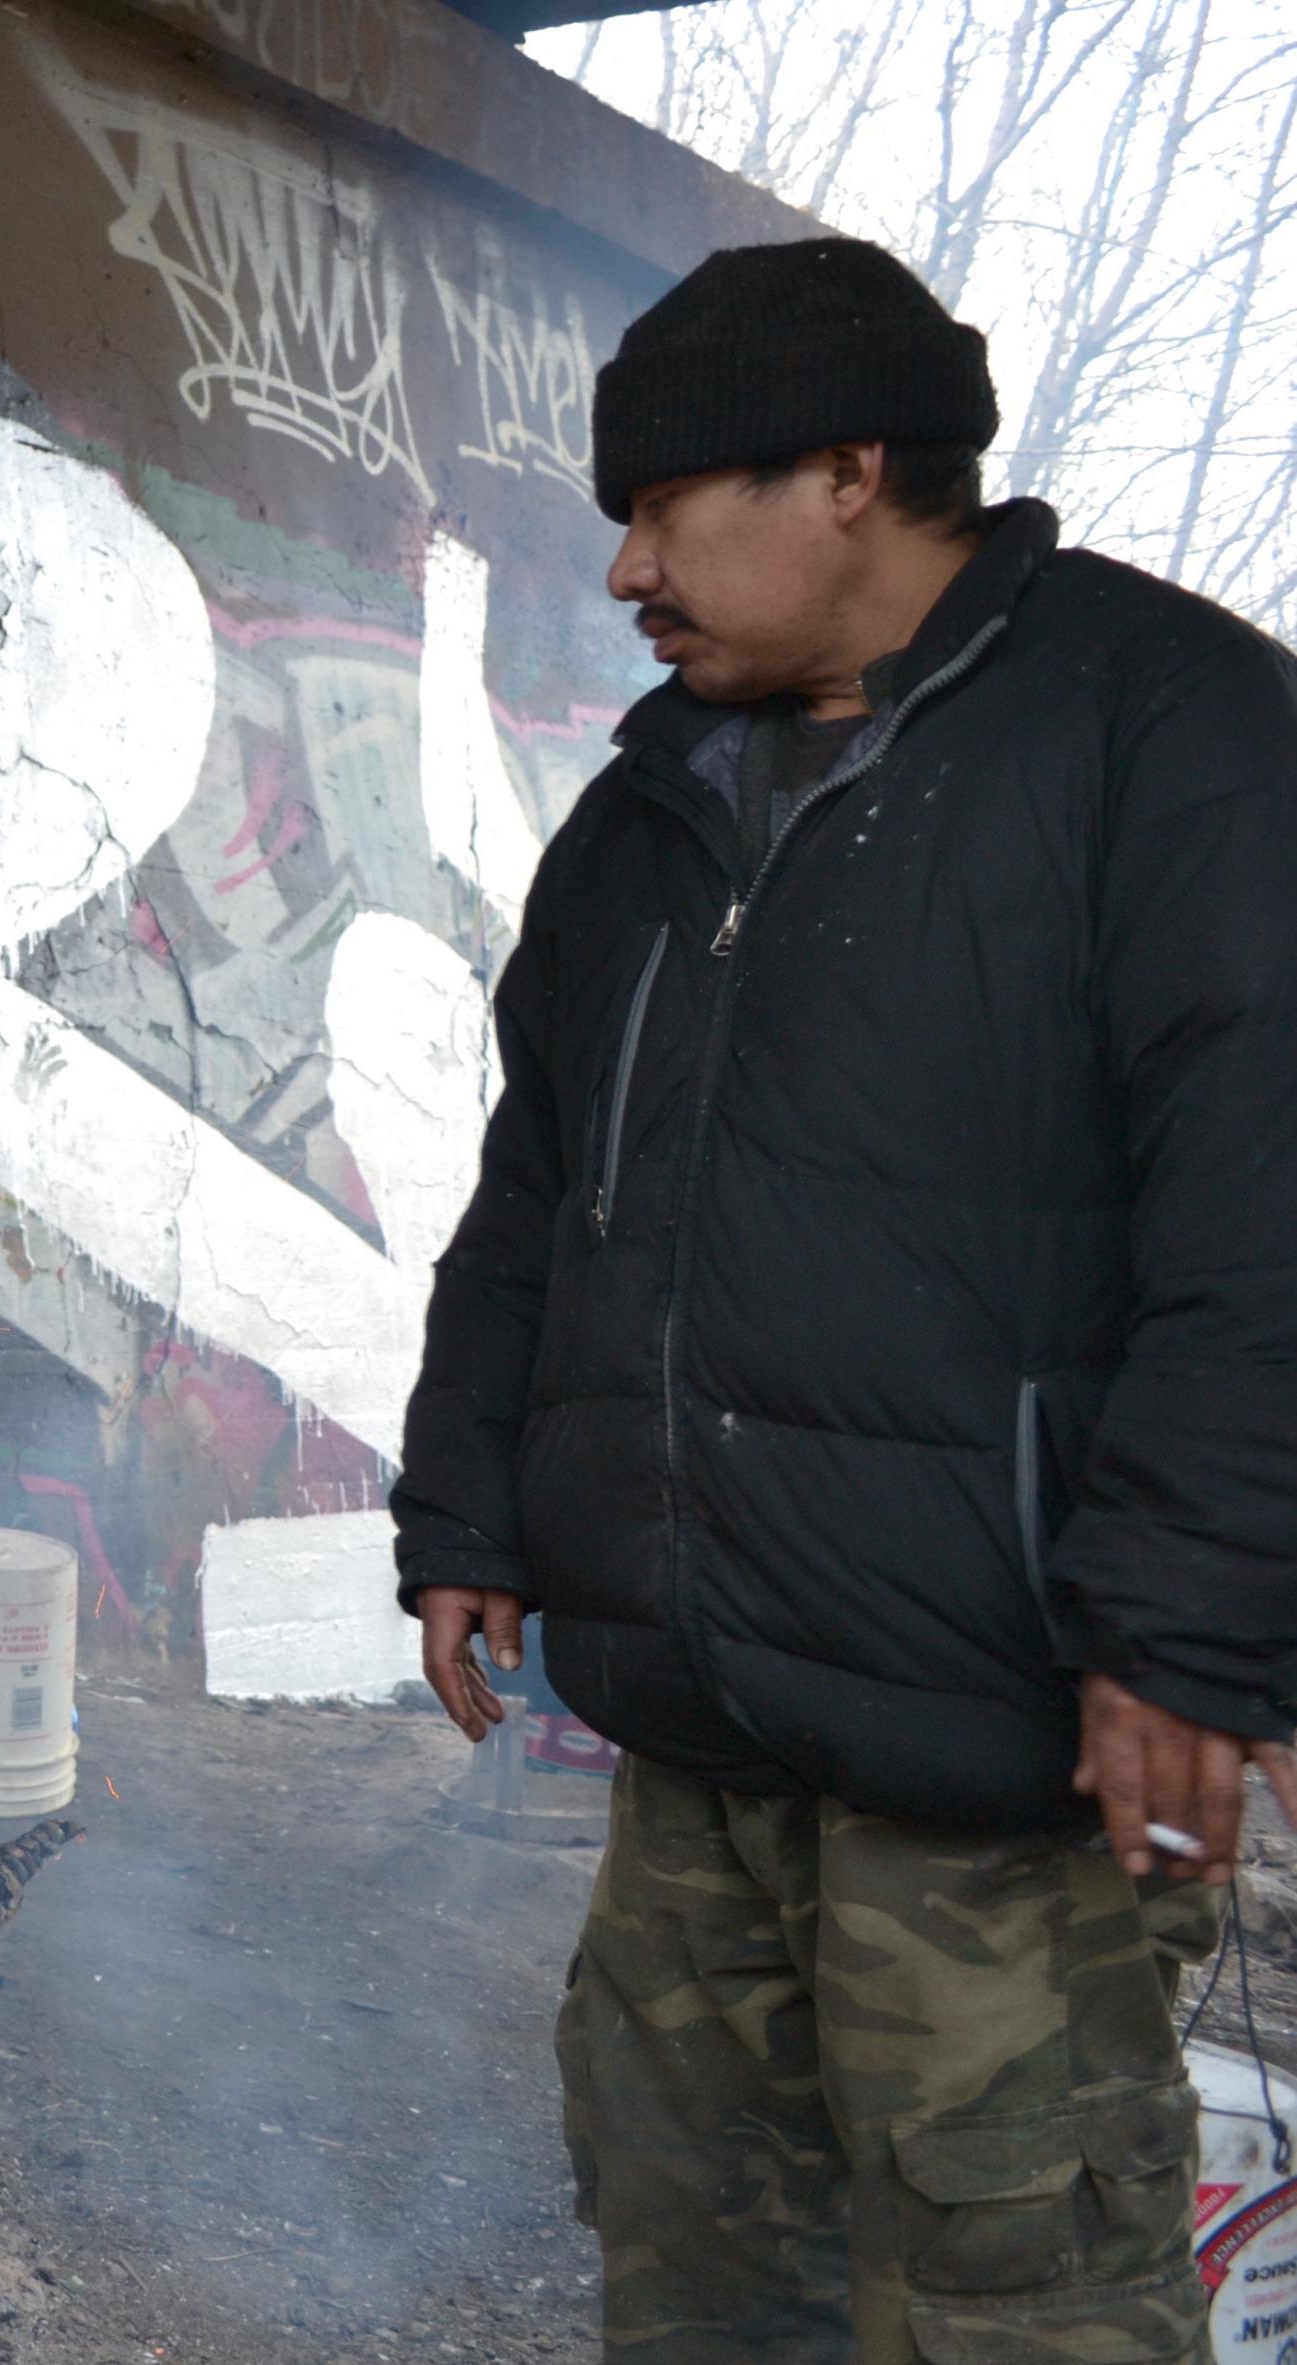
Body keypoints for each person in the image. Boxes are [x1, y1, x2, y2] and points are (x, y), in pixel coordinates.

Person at [393, 235, 1297, 2361]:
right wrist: (468, 1507)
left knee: (1012, 2294)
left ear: (848, 473)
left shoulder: (1171, 735)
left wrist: (1184, 1631)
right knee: (696, 2261)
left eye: (664, 503)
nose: (624, 566)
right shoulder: (646, 805)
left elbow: (1262, 1228)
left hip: (998, 1755)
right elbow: (539, 1188)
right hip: (698, 1725)